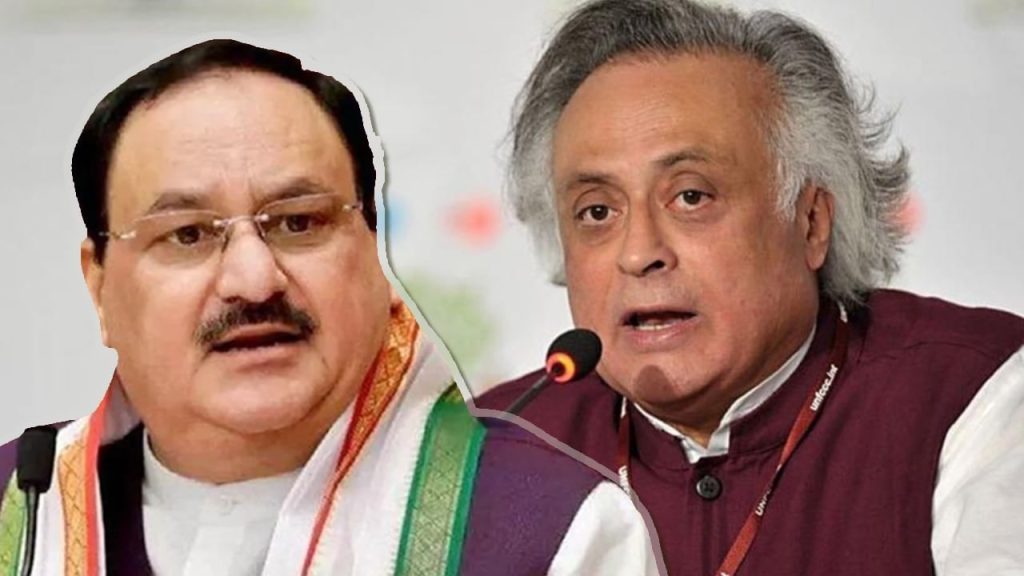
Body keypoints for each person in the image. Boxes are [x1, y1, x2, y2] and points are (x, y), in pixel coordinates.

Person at [0, 40, 660, 576]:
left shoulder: (557, 533)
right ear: (100, 286)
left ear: (374, 247)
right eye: (188, 234)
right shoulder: (22, 508)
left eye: (299, 222)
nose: (254, 281)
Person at [476, 1, 1024, 575]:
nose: (639, 254)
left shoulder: (973, 395)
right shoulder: (489, 452)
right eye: (596, 212)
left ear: (810, 222)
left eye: (691, 197)